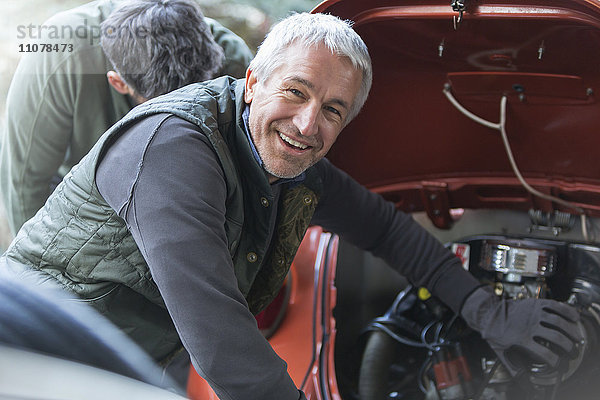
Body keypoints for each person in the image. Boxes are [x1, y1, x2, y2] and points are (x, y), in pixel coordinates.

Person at [0, 12, 583, 400]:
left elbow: (388, 231)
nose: (308, 124)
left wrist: (489, 313)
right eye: (295, 91)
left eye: (333, 109)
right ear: (252, 80)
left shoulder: (291, 162)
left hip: (146, 349)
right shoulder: (172, 152)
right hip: (40, 354)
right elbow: (224, 344)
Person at [0, 0, 254, 234]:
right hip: (79, 205)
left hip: (185, 200)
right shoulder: (59, 54)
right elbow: (24, 182)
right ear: (118, 82)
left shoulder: (233, 65)